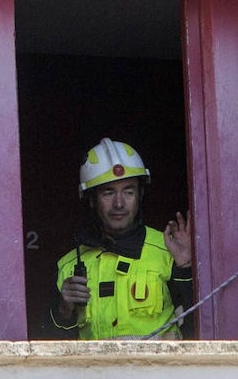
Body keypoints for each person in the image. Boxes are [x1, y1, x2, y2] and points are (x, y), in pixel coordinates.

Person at [50, 138, 193, 340]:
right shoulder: (68, 266)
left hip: (159, 371)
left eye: (128, 191)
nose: (119, 204)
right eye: (108, 193)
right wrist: (64, 309)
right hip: (96, 372)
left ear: (140, 194)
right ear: (91, 200)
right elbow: (49, 345)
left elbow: (202, 325)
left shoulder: (169, 250)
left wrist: (186, 268)